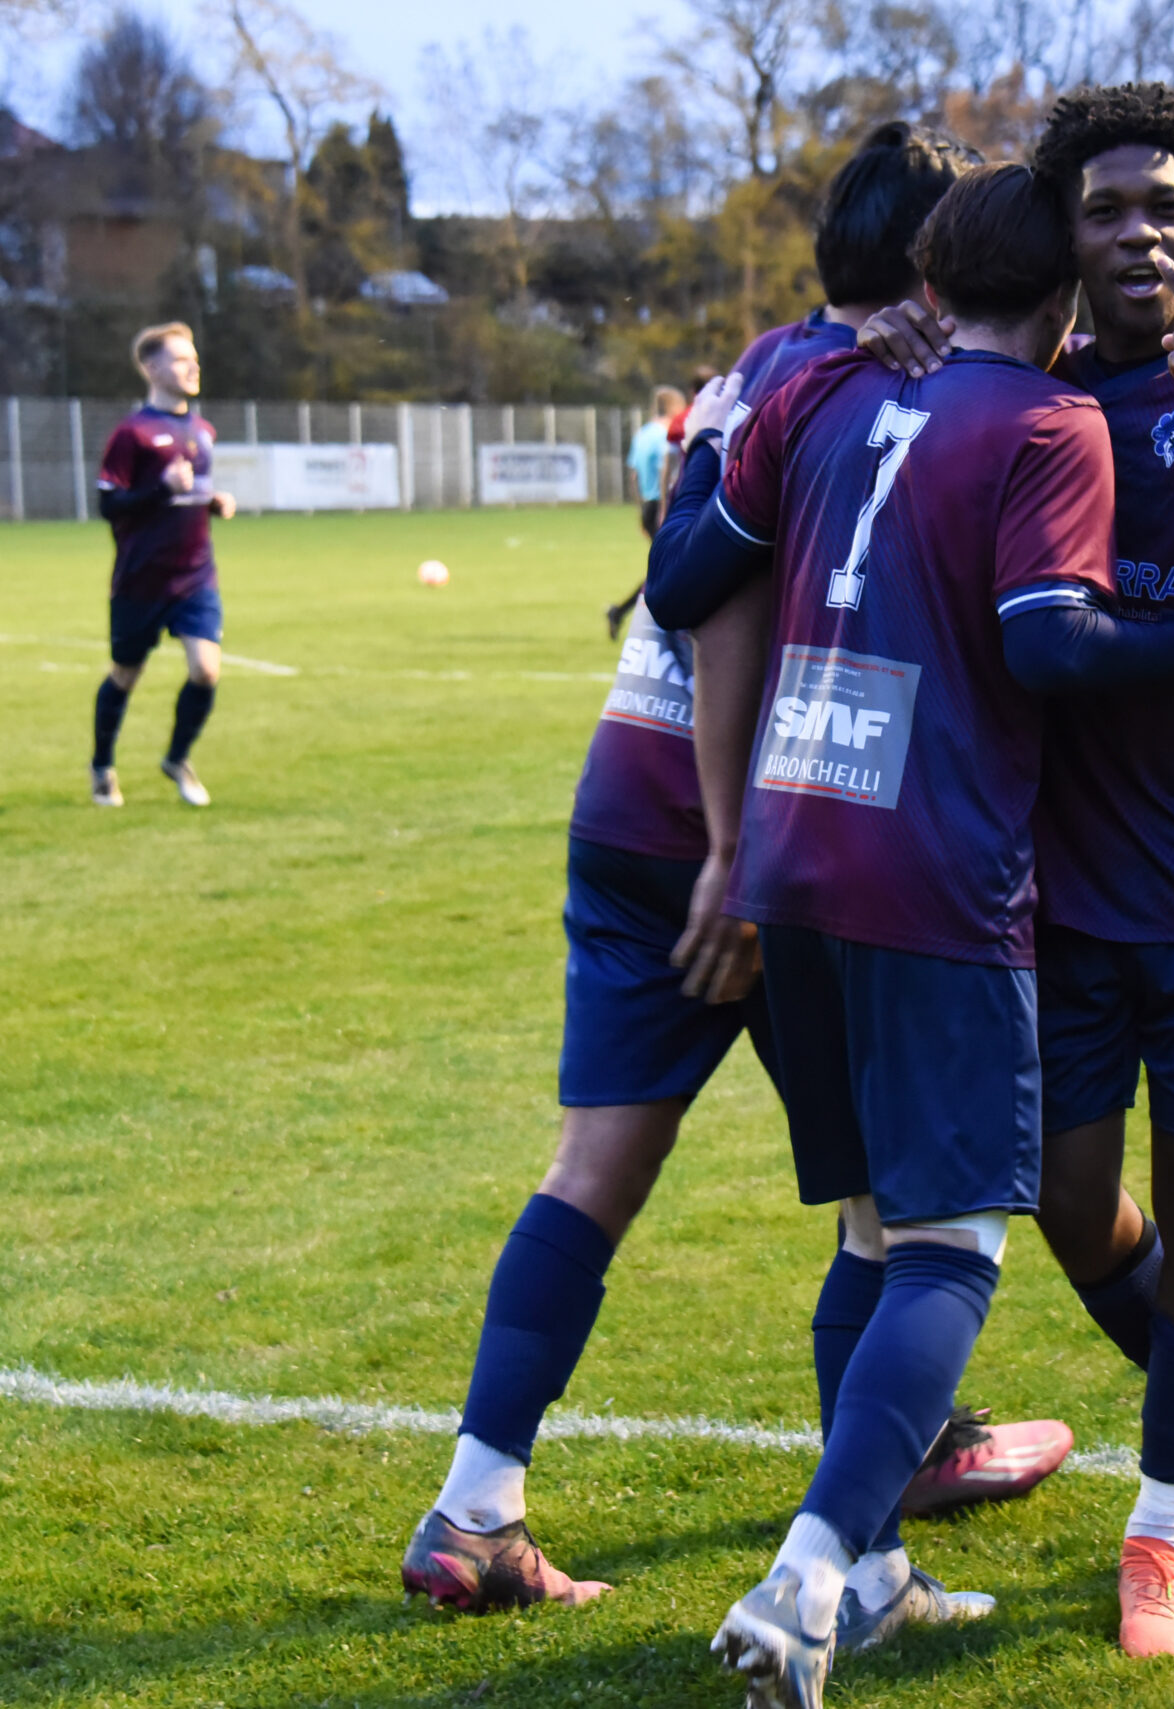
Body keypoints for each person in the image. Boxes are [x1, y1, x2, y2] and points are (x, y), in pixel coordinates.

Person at [399, 121, 1070, 1643]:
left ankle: (476, 1505)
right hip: (754, 835)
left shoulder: (763, 364)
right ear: (933, 269)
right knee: (896, 1214)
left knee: (594, 1168)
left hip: (619, 798)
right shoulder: (868, 393)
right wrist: (732, 852)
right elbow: (728, 625)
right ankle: (873, 1536)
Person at [654, 156, 1174, 1709]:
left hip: (795, 854)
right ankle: (810, 1575)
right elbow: (1043, 640)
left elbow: (683, 577)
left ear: (929, 285)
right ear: (1060, 294)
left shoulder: (821, 392)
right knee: (949, 1250)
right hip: (934, 873)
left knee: (871, 1232)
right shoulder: (1053, 419)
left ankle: (871, 1580)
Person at [860, 82, 1174, 1660]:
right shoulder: (1027, 397)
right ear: (1064, 241)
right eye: (1106, 210)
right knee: (1072, 1202)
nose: (1140, 233)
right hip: (1058, 883)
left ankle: (1157, 1532)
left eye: (1165, 207)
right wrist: (896, 347)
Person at [89, 323, 234, 809]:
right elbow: (109, 505)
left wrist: (212, 502)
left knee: (206, 670)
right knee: (125, 675)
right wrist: (161, 489)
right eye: (181, 360)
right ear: (152, 369)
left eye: (194, 358)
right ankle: (103, 766)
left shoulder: (203, 431)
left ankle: (177, 758)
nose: (194, 366)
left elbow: (189, 496)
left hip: (195, 576)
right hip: (141, 580)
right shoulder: (131, 433)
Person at [604, 387, 688, 640]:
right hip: (664, 507)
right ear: (672, 407)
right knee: (670, 570)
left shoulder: (642, 434)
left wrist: (640, 511)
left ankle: (622, 613)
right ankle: (637, 619)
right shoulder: (666, 435)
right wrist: (666, 510)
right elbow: (668, 473)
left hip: (648, 506)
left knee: (667, 569)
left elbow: (634, 476)